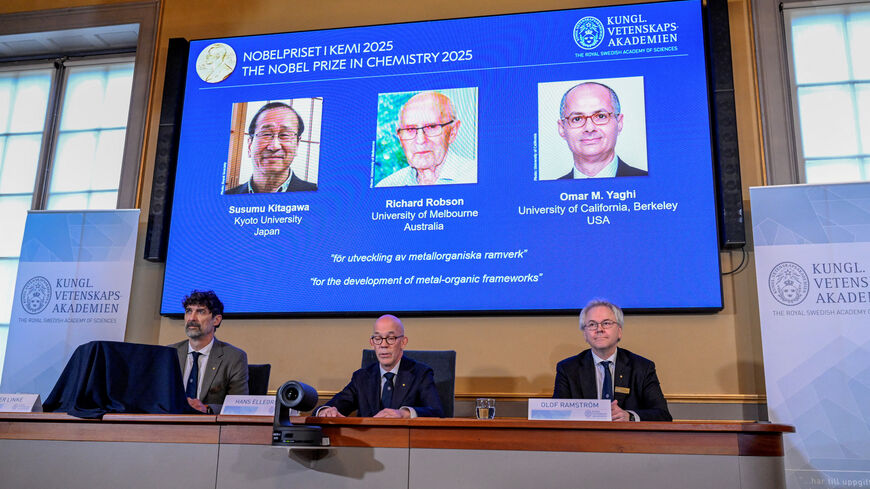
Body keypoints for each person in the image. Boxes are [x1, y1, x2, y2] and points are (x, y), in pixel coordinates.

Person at [553, 298, 671, 421]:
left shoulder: (642, 368)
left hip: (627, 433)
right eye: (592, 324)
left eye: (606, 323)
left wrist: (629, 416)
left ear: (619, 331)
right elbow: (557, 416)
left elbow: (663, 415)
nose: (599, 329)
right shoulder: (568, 369)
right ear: (585, 334)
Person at [316, 314, 444, 418]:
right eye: (378, 338)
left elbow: (436, 412)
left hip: (406, 440)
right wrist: (325, 411)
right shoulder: (362, 378)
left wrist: (404, 413)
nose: (383, 345)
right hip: (367, 442)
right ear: (372, 343)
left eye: (390, 338)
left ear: (403, 342)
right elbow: (334, 406)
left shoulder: (420, 374)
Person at [169, 290, 249, 414]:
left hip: (208, 424)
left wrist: (207, 409)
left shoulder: (234, 357)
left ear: (216, 320)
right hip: (169, 422)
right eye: (189, 311)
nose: (191, 318)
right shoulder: (169, 353)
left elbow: (239, 406)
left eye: (200, 312)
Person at [376, 91, 476, 187]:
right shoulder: (386, 186)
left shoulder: (475, 177)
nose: (420, 140)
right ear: (400, 136)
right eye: (410, 129)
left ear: (453, 132)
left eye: (431, 127)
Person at [557, 82, 647, 179]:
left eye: (601, 116)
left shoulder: (648, 181)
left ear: (619, 123)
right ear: (562, 128)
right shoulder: (552, 187)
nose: (589, 128)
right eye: (577, 119)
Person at [225, 102, 317, 194]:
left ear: (297, 145)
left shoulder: (316, 193)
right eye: (266, 134)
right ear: (250, 145)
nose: (274, 146)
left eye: (284, 135)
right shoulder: (228, 196)